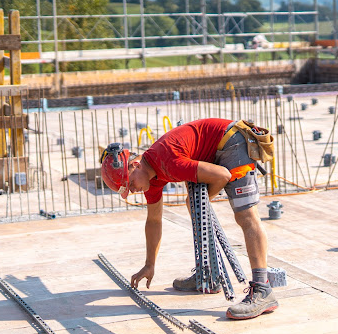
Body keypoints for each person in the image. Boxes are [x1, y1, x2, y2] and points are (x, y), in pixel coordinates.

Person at [100, 118, 278, 320]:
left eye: (130, 183)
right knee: (194, 203)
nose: (132, 190)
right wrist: (150, 264)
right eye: (127, 190)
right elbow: (154, 221)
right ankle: (209, 276)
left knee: (246, 215)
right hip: (215, 147)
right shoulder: (152, 177)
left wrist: (198, 201)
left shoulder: (168, 162)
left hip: (232, 142)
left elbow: (222, 175)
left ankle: (263, 290)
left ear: (135, 165)